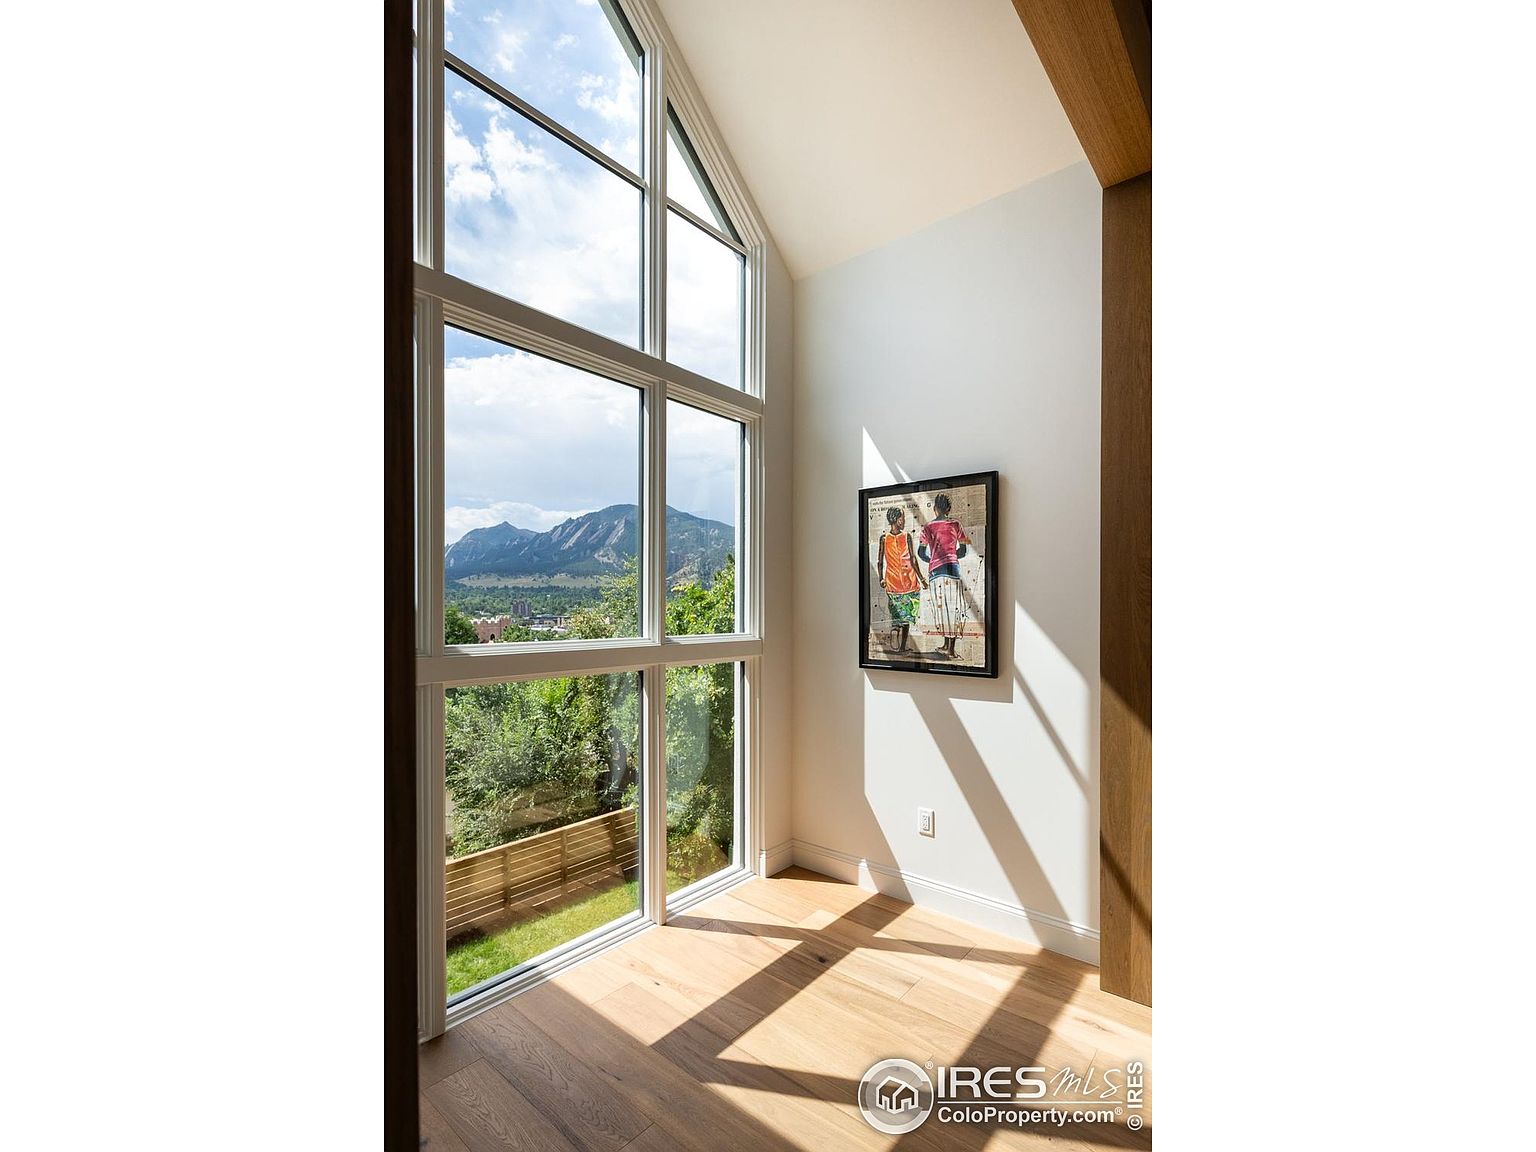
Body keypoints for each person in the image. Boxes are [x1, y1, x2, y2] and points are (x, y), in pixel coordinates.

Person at [918, 492, 972, 659]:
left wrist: (934, 559)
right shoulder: (956, 524)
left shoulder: (927, 527)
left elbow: (921, 552)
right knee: (953, 607)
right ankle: (949, 647)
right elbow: (963, 549)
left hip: (935, 571)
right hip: (953, 569)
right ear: (948, 508)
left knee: (941, 607)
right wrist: (952, 556)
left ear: (934, 508)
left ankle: (947, 647)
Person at [876, 505, 926, 653]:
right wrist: (922, 579)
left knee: (897, 613)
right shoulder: (906, 536)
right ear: (898, 520)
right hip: (908, 581)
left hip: (892, 581)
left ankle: (897, 633)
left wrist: (881, 579)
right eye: (902, 518)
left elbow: (880, 562)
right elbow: (913, 559)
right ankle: (902, 646)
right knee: (907, 616)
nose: (903, 521)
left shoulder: (884, 538)